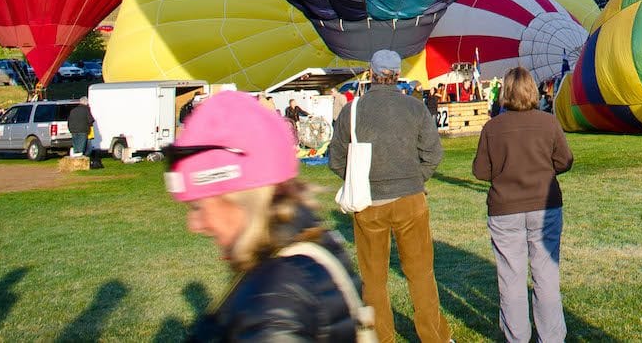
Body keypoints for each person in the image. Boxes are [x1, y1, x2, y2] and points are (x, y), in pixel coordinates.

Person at [165, 90, 367, 340]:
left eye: (199, 206)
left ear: (240, 198)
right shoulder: (299, 251)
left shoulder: (276, 297)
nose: (194, 224)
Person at [330, 49, 450, 343]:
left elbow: (336, 160)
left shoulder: (353, 109)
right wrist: (414, 179)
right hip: (410, 199)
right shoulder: (415, 108)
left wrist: (359, 180)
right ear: (397, 75)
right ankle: (434, 337)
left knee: (373, 279)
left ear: (371, 74)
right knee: (420, 273)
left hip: (369, 202)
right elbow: (433, 154)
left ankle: (381, 338)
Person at [472, 66, 574, 343]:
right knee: (546, 275)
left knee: (511, 278)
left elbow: (481, 171)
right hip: (545, 206)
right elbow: (565, 161)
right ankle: (551, 337)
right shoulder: (548, 123)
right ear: (532, 91)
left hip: (505, 210)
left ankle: (517, 337)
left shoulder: (493, 128)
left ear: (504, 92)